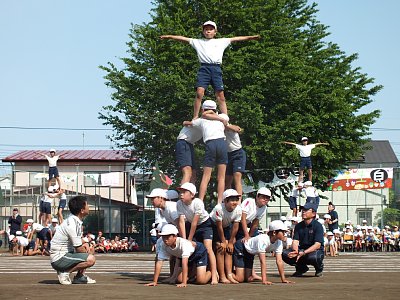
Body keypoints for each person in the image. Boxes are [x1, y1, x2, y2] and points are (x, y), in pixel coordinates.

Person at [160, 20, 260, 119]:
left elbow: (236, 39)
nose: (208, 31)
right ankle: (195, 116)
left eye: (210, 29)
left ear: (215, 32)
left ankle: (226, 118)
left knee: (220, 95)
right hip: (204, 68)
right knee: (199, 93)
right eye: (206, 29)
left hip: (216, 68)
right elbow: (183, 39)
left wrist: (251, 37)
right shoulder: (198, 42)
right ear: (203, 32)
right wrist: (169, 36)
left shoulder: (221, 41)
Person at [183, 100, 227, 203]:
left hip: (210, 144)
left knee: (206, 176)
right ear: (215, 109)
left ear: (203, 109)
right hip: (222, 143)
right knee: (221, 177)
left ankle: (200, 201)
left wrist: (196, 117)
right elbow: (223, 115)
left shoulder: (201, 120)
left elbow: (186, 123)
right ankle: (220, 202)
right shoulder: (223, 118)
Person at [176, 182, 218, 284]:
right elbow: (181, 222)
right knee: (191, 248)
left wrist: (189, 239)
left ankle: (214, 275)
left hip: (205, 225)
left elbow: (195, 222)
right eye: (180, 192)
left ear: (192, 195)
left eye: (184, 192)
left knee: (208, 248)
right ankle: (193, 273)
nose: (181, 194)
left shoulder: (198, 202)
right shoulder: (179, 203)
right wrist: (185, 239)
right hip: (191, 225)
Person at [145, 224, 211, 287]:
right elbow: (159, 262)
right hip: (184, 256)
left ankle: (211, 272)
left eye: (168, 237)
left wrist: (184, 283)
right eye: (163, 237)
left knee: (201, 281)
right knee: (179, 279)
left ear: (175, 236)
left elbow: (184, 263)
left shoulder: (183, 244)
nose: (165, 239)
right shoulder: (163, 244)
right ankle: (195, 272)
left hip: (198, 251)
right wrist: (154, 281)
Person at [50, 195, 96, 285]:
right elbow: (78, 248)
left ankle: (79, 276)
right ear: (82, 210)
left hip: (65, 255)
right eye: (87, 205)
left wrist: (86, 243)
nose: (89, 207)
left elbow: (78, 241)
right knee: (91, 259)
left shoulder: (75, 221)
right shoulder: (72, 223)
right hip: (59, 258)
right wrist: (87, 250)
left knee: (88, 248)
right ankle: (65, 273)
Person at [232, 220, 294, 285]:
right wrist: (264, 280)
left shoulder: (279, 242)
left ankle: (234, 272)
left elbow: (279, 261)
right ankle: (227, 273)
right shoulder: (263, 240)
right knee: (240, 278)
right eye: (283, 232)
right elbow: (262, 262)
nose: (285, 234)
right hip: (241, 247)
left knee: (248, 279)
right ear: (274, 232)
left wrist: (283, 279)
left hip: (250, 253)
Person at [203, 112, 246, 198]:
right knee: (227, 180)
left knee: (237, 177)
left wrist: (226, 124)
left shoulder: (231, 127)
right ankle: (226, 199)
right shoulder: (217, 130)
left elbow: (239, 129)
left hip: (238, 153)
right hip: (227, 154)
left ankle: (239, 201)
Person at [282, 202, 325, 277]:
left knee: (314, 257)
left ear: (313, 213)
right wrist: (295, 251)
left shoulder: (318, 226)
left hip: (314, 251)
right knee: (285, 254)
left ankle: (319, 268)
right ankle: (301, 268)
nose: (303, 212)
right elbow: (295, 241)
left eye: (306, 210)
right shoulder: (298, 226)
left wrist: (304, 252)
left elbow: (317, 245)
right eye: (303, 210)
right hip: (301, 249)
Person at [209, 189, 242, 283]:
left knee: (229, 247)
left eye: (236, 200)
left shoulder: (239, 209)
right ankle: (222, 276)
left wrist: (230, 242)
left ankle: (229, 274)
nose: (235, 202)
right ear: (225, 201)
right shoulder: (219, 208)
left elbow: (235, 227)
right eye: (232, 200)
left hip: (226, 226)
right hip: (213, 226)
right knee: (220, 247)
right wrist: (223, 241)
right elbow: (219, 227)